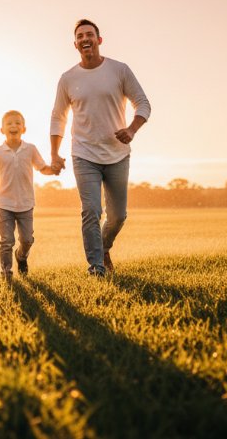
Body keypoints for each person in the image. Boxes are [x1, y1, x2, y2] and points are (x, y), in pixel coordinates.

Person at [50, 19, 151, 276]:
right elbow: (58, 117)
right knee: (92, 210)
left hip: (117, 154)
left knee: (118, 216)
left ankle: (104, 247)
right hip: (84, 154)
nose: (86, 39)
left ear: (99, 40)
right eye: (81, 36)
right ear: (75, 44)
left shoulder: (119, 70)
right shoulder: (67, 78)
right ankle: (96, 267)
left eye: (90, 35)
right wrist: (54, 152)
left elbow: (143, 104)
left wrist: (131, 129)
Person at [0, 110, 57, 281]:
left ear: (24, 129)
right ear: (2, 130)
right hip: (5, 204)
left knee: (27, 239)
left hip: (26, 203)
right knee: (6, 240)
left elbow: (42, 168)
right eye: (9, 123)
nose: (13, 126)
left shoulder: (30, 149)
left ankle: (21, 257)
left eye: (17, 123)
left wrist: (54, 169)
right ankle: (7, 273)